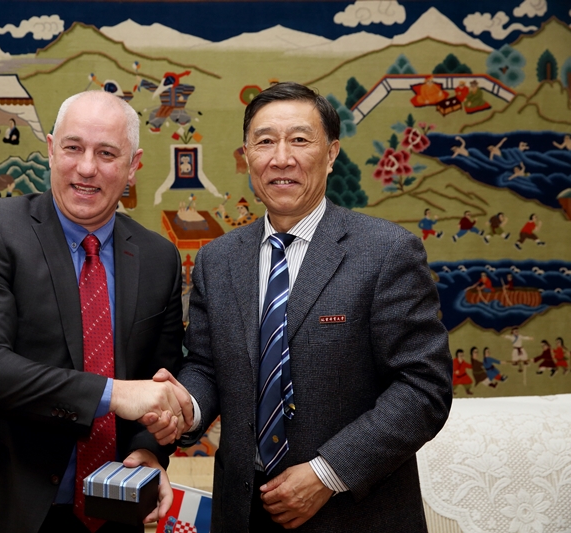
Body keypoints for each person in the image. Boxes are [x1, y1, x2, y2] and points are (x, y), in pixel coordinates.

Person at [144, 82, 452, 532]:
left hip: (353, 514)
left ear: (331, 154)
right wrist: (185, 406)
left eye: (300, 140)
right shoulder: (218, 259)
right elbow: (207, 366)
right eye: (265, 141)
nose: (281, 158)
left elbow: (424, 388)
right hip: (242, 512)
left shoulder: (386, 252)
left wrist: (328, 473)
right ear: (247, 155)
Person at [0, 91, 188, 533]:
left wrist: (148, 450)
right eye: (73, 147)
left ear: (133, 166)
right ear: (52, 150)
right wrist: (112, 394)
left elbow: (157, 380)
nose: (87, 168)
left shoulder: (159, 258)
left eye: (107, 153)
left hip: (110, 513)